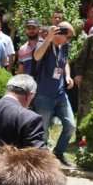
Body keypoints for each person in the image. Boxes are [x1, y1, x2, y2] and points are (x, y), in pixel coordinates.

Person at [32, 23, 76, 165]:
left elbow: (65, 62)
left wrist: (67, 75)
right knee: (43, 130)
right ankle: (43, 159)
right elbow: (37, 56)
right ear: (59, 33)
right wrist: (48, 38)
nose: (68, 41)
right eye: (67, 37)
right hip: (44, 95)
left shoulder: (64, 47)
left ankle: (59, 152)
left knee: (70, 125)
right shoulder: (44, 43)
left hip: (61, 94)